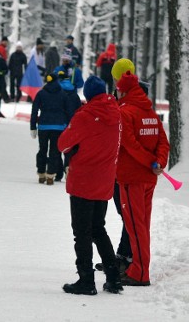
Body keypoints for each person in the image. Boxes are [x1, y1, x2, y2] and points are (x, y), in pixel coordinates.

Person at [58, 75, 123, 295]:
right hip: (104, 180)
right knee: (98, 229)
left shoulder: (85, 115)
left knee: (82, 232)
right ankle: (113, 277)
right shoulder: (116, 114)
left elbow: (63, 144)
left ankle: (86, 280)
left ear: (87, 94)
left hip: (83, 181)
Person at [112, 58, 170, 287]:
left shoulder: (125, 113)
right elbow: (163, 142)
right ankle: (140, 267)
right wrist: (159, 162)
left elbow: (129, 144)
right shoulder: (150, 112)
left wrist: (150, 163)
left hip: (131, 178)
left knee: (135, 226)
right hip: (148, 179)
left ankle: (140, 272)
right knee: (141, 225)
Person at [30, 73, 71, 185]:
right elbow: (68, 112)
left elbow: (34, 111)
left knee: (42, 149)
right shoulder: (63, 94)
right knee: (54, 151)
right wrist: (68, 127)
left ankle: (41, 173)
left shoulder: (41, 93)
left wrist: (33, 127)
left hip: (43, 126)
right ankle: (50, 176)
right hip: (58, 127)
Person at [58, 70, 82, 181]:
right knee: (69, 149)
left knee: (56, 148)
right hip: (71, 124)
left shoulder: (58, 91)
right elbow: (79, 109)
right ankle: (67, 167)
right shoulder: (74, 93)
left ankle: (57, 172)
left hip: (58, 123)